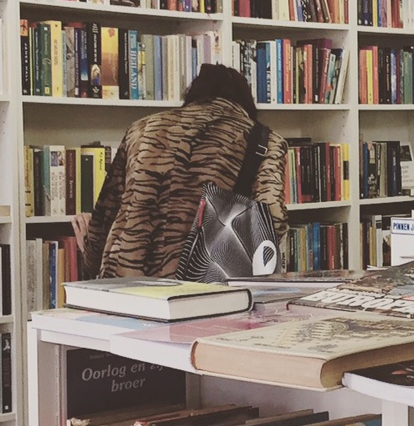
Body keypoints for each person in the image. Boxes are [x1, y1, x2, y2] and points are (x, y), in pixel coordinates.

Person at [78, 64, 288, 279]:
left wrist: (90, 256)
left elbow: (107, 211)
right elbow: (273, 219)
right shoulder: (266, 141)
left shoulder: (142, 129)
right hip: (207, 285)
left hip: (128, 278)